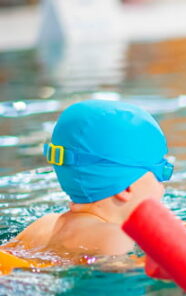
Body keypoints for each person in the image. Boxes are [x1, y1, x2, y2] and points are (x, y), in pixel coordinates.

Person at [2, 100, 173, 258]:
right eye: (161, 173)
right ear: (125, 188)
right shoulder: (114, 237)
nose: (163, 185)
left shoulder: (42, 225)